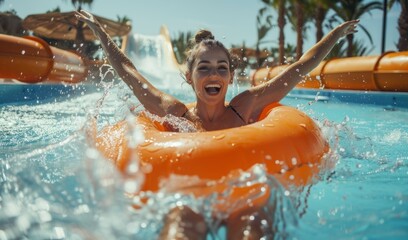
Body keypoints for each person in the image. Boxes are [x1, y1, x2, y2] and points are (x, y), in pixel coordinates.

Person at [76, 9, 358, 239]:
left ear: (231, 77)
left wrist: (334, 36)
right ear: (189, 76)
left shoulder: (245, 106)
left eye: (222, 68)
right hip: (190, 198)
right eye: (204, 68)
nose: (214, 74)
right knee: (180, 226)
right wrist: (101, 34)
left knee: (252, 226)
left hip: (244, 198)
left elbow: (298, 69)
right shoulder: (175, 114)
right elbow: (128, 72)